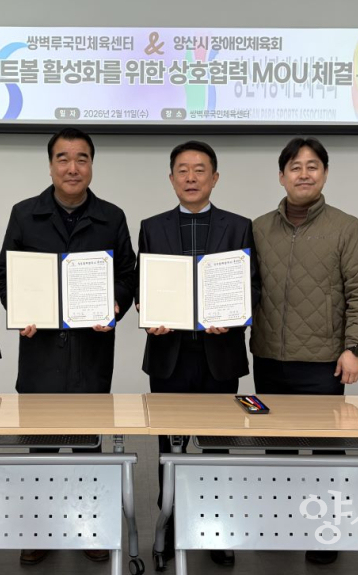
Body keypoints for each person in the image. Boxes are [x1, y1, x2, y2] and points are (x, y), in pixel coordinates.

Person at [0, 127, 137, 566]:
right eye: (63, 158)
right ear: (50, 165)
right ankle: (38, 529)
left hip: (90, 351)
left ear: (91, 165)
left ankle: (89, 527)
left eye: (81, 158)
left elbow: (127, 275)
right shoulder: (24, 214)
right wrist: (20, 310)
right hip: (40, 352)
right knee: (39, 447)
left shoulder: (111, 217)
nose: (72, 167)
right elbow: (5, 274)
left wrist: (114, 305)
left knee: (87, 447)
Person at [250, 137, 358, 566]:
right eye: (295, 167)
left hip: (324, 361)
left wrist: (355, 347)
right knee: (276, 448)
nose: (303, 174)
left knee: (325, 449)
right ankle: (281, 523)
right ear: (281, 175)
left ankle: (325, 531)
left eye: (312, 166)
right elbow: (244, 288)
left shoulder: (346, 227)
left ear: (324, 174)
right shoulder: (259, 228)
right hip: (268, 356)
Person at [136, 140, 258, 567]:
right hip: (168, 354)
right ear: (172, 179)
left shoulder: (239, 226)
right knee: (168, 448)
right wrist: (148, 312)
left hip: (219, 355)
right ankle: (167, 526)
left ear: (215, 178)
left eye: (199, 170)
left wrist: (236, 317)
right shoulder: (152, 227)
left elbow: (251, 285)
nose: (191, 177)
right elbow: (144, 284)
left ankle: (214, 528)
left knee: (216, 447)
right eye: (183, 170)